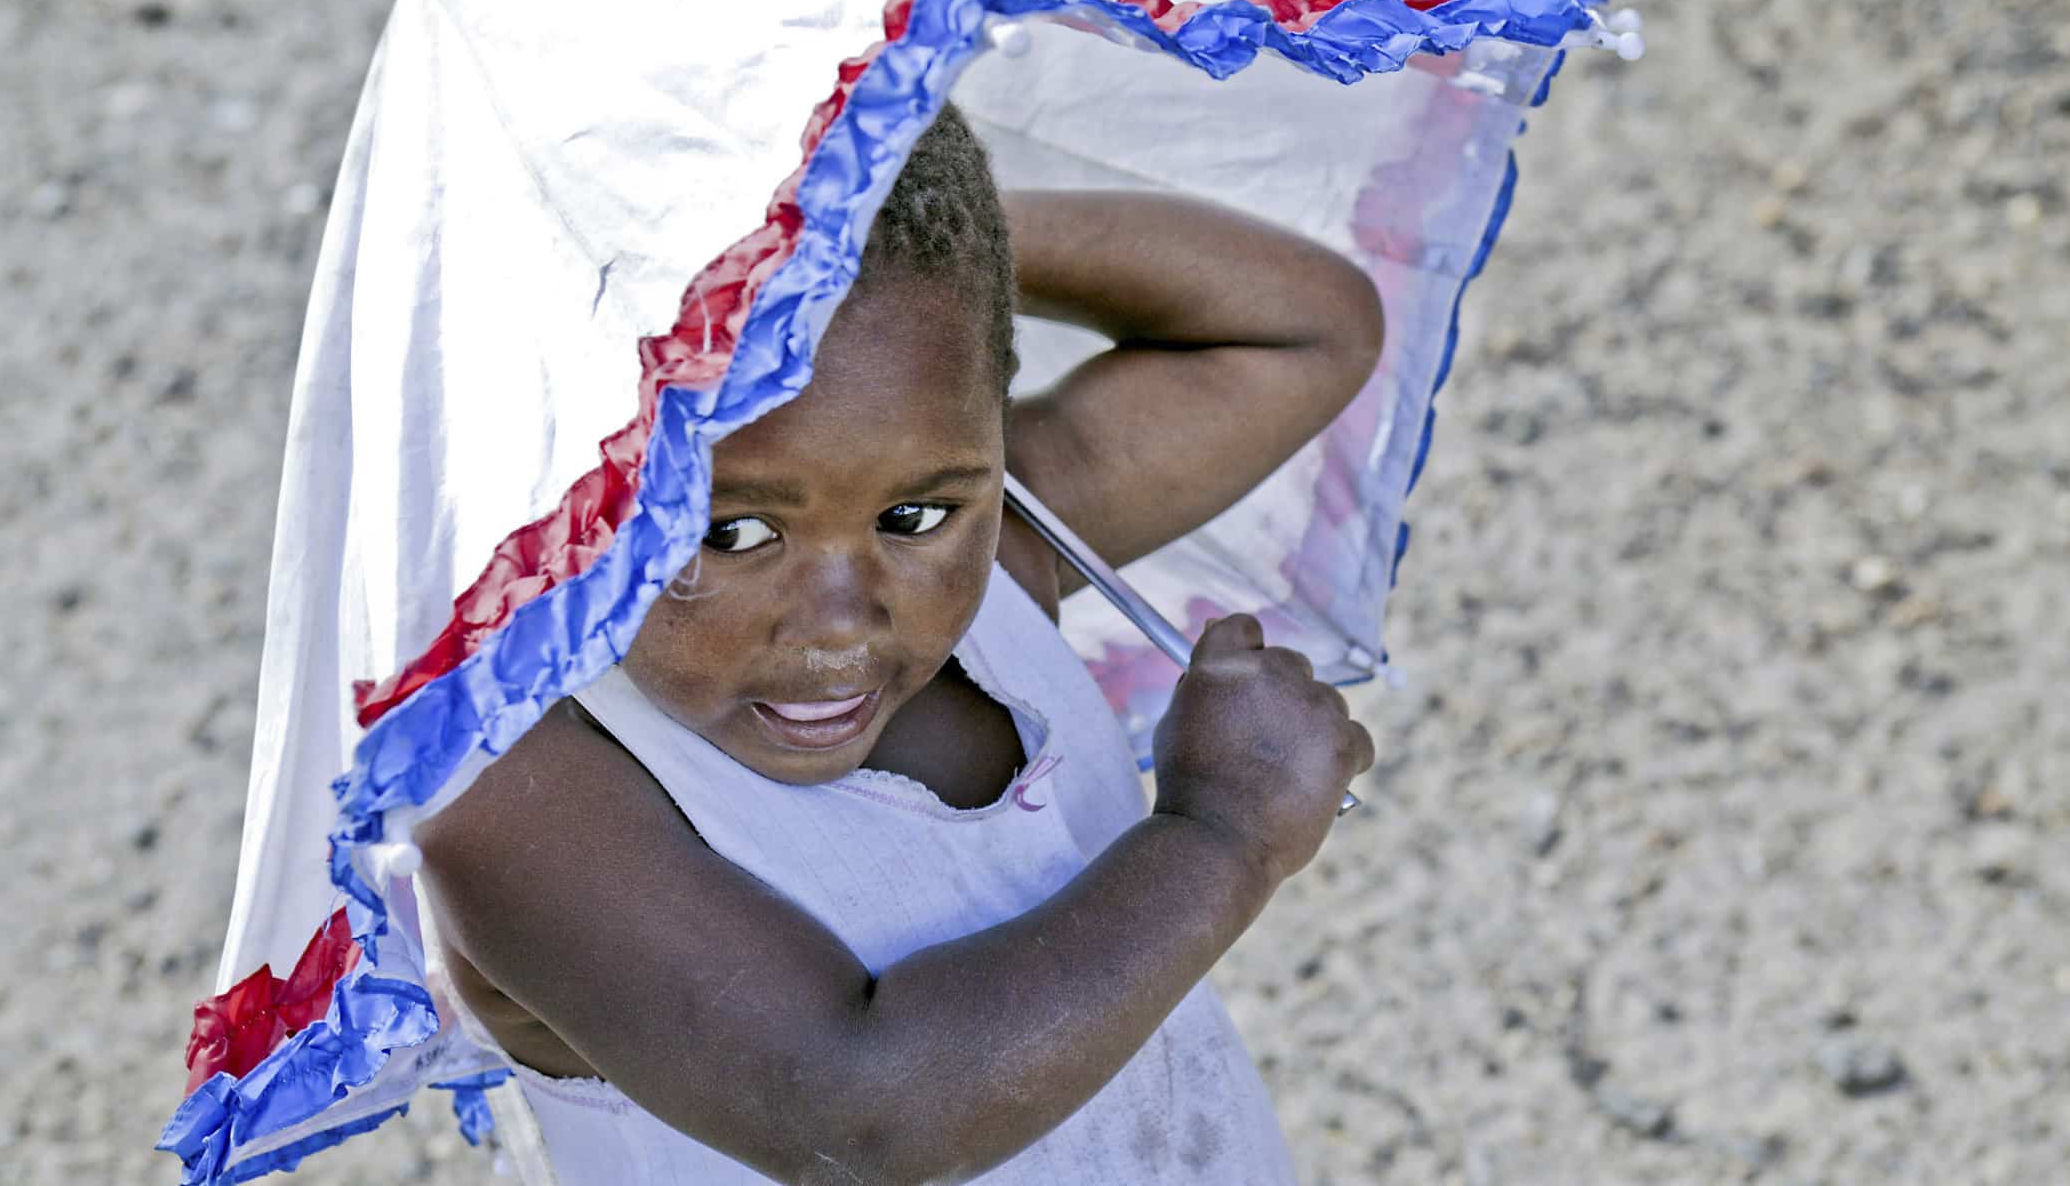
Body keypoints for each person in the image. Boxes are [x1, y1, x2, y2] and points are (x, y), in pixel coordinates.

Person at [412, 101, 1384, 1183]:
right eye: (732, 534)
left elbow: (1301, 325)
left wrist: (903, 233)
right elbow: (862, 1120)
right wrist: (1222, 837)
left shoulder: (1007, 560)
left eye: (916, 516)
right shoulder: (515, 788)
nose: (840, 618)